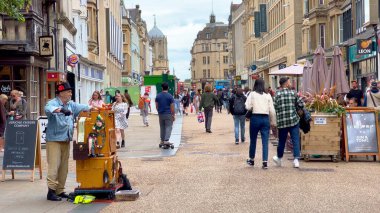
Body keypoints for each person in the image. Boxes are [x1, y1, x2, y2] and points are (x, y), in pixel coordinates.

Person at [44, 82, 90, 201]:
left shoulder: (71, 105)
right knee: (54, 166)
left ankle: (60, 190)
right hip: (54, 140)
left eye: (70, 91)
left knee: (64, 167)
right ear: (61, 93)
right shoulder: (53, 103)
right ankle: (51, 192)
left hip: (65, 139)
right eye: (68, 91)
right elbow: (48, 109)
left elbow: (84, 107)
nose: (70, 93)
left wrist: (96, 107)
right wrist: (61, 110)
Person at [273, 77, 305, 168]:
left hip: (282, 122)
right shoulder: (293, 93)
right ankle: (296, 160)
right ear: (286, 83)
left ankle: (279, 158)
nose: (290, 83)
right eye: (289, 82)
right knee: (295, 140)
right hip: (293, 120)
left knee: (282, 141)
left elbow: (274, 107)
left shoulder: (277, 94)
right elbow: (301, 104)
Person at [245, 79, 276, 169]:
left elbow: (247, 106)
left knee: (253, 140)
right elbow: (272, 111)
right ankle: (265, 162)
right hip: (265, 119)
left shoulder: (252, 94)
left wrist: (253, 106)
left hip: (255, 118)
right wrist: (273, 122)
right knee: (265, 141)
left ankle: (251, 159)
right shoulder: (268, 95)